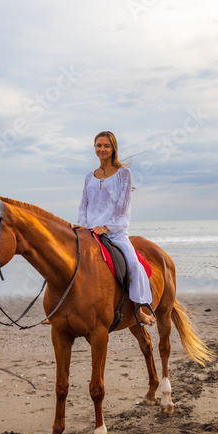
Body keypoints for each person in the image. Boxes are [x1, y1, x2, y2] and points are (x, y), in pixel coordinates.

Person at [77, 131, 156, 327]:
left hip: (114, 232)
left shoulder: (123, 174)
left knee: (134, 265)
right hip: (88, 231)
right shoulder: (89, 176)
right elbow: (84, 205)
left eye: (106, 146)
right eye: (98, 145)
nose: (102, 149)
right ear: (94, 148)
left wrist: (107, 227)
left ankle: (140, 309)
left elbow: (123, 207)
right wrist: (81, 226)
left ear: (113, 149)